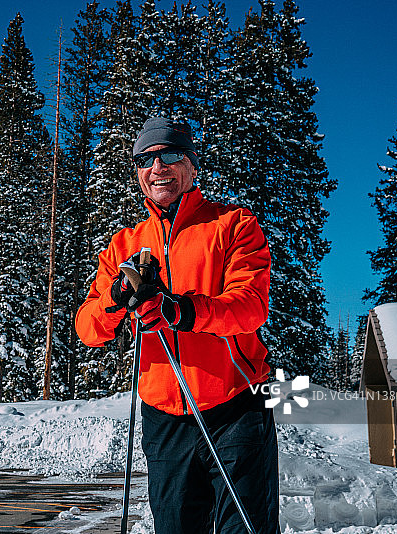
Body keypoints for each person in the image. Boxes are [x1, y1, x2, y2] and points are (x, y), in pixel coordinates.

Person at [75, 117, 279, 533]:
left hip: (237, 403)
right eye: (145, 159)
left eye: (170, 155)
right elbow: (88, 329)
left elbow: (251, 307)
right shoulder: (125, 244)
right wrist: (116, 300)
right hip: (164, 416)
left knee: (246, 528)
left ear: (191, 165)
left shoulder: (233, 225)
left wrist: (180, 312)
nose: (157, 167)